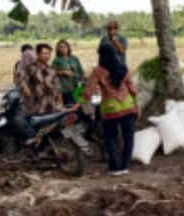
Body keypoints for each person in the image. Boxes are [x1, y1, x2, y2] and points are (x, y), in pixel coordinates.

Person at [85, 26, 139, 176]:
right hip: (127, 106)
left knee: (111, 138)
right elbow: (132, 89)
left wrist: (78, 102)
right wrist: (135, 104)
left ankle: (115, 168)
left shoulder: (98, 71)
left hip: (110, 110)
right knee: (128, 137)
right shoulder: (123, 67)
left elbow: (88, 91)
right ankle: (125, 166)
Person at [23, 43, 65, 116]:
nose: (47, 56)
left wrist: (61, 105)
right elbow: (23, 83)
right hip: (37, 108)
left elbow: (58, 89)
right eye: (45, 53)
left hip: (53, 107)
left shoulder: (52, 70)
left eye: (49, 54)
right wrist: (25, 89)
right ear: (38, 54)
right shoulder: (30, 68)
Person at [51, 39, 84, 106]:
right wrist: (63, 72)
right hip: (65, 88)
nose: (63, 49)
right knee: (69, 106)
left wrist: (81, 85)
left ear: (68, 47)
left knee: (79, 105)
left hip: (77, 86)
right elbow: (52, 73)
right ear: (58, 49)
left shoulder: (74, 58)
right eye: (60, 47)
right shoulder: (57, 60)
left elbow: (81, 72)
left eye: (65, 46)